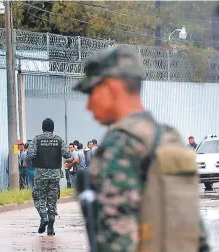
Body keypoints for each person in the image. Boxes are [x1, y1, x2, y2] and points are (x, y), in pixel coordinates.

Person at [73, 46, 209, 251]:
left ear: (111, 87)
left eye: (91, 92)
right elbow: (195, 232)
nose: (88, 105)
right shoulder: (168, 138)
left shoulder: (120, 146)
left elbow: (116, 240)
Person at [26, 118, 70, 236]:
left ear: (43, 127)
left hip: (40, 174)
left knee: (38, 197)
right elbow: (67, 154)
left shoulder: (37, 139)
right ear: (53, 128)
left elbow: (30, 154)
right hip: (55, 174)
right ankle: (50, 226)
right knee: (52, 199)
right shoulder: (59, 140)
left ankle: (43, 216)